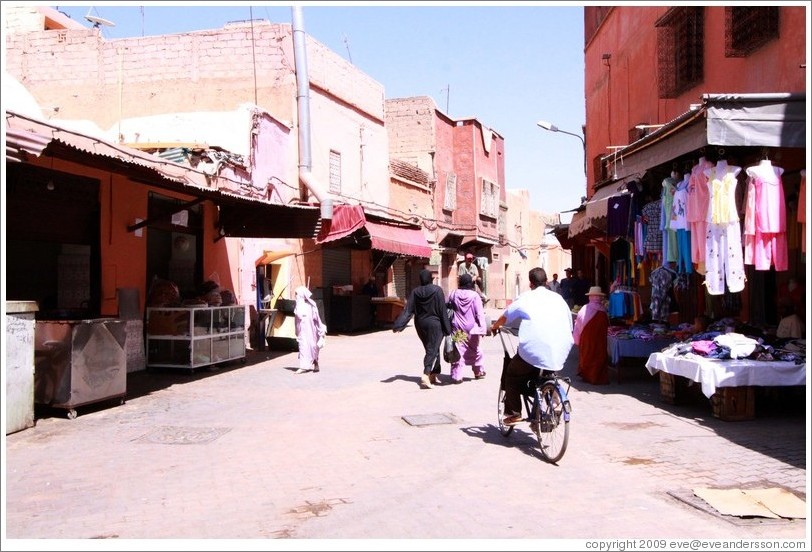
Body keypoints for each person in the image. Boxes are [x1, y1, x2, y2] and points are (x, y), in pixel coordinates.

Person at [490, 267, 574, 425]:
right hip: (560, 349)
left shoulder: (526, 298)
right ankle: (553, 400)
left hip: (533, 350)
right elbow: (569, 324)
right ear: (547, 281)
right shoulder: (559, 299)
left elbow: (506, 316)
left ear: (530, 283)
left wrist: (494, 327)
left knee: (512, 374)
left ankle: (514, 413)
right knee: (547, 372)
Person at [392, 269, 452, 389]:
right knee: (432, 349)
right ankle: (426, 374)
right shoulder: (437, 290)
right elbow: (442, 311)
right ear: (431, 278)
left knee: (431, 348)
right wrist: (448, 329)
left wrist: (398, 324)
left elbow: (408, 310)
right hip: (435, 325)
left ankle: (433, 374)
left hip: (420, 325)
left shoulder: (415, 292)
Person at [446, 273, 488, 383]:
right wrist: (482, 329)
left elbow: (448, 305)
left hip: (458, 328)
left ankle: (456, 376)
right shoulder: (475, 296)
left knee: (458, 350)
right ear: (471, 283)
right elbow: (479, 314)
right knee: (475, 349)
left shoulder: (453, 294)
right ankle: (478, 372)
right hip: (472, 329)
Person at [572, 286, 610, 385]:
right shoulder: (603, 310)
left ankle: (587, 375)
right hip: (600, 339)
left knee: (587, 355)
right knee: (598, 355)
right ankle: (597, 376)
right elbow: (606, 325)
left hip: (586, 338)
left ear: (590, 297)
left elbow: (578, 323)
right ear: (599, 297)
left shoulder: (585, 309)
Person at [293, 285, 327, 374]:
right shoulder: (298, 305)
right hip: (302, 332)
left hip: (312, 331)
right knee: (303, 347)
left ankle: (316, 363)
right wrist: (297, 331)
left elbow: (318, 318)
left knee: (313, 347)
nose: (296, 296)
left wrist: (321, 331)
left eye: (297, 294)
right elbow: (296, 320)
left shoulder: (312, 305)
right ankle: (303, 366)